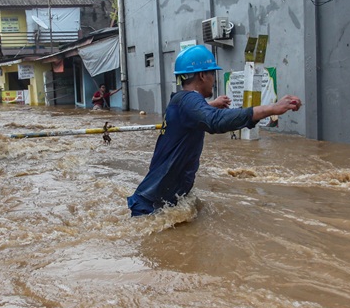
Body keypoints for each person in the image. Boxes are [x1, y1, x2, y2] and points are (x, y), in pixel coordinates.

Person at [127, 44, 301, 216]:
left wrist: (211, 104)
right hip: (152, 207)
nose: (214, 80)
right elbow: (215, 121)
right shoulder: (189, 101)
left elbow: (194, 114)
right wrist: (271, 108)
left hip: (163, 200)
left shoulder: (180, 100)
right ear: (202, 75)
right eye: (212, 74)